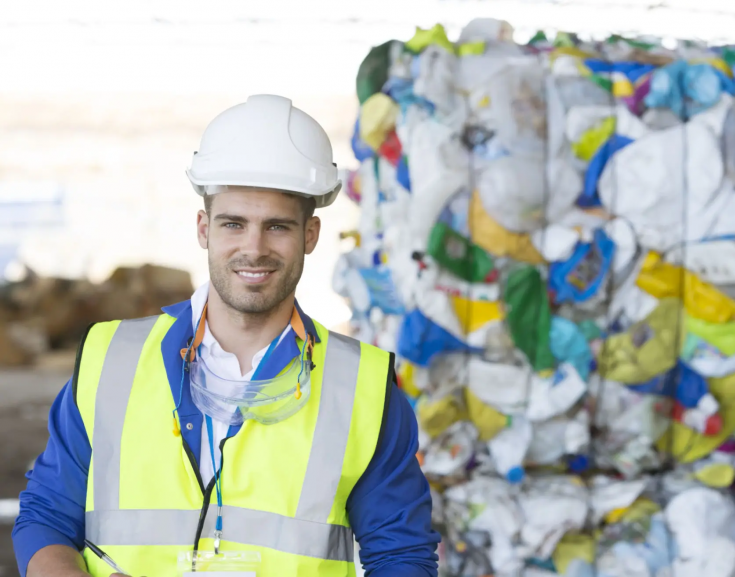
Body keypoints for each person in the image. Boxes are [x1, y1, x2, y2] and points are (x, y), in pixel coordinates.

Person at [12, 95, 440, 577]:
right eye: (234, 223)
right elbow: (46, 518)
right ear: (204, 228)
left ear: (310, 235)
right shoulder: (111, 359)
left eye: (277, 226)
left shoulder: (362, 388)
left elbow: (402, 557)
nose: (253, 248)